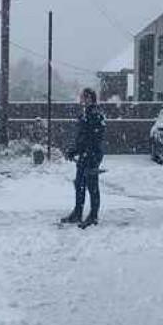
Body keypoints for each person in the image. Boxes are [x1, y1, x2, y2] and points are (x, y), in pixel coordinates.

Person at [62, 87, 106, 228]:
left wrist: (88, 153)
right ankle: (77, 213)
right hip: (84, 155)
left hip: (92, 155)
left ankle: (93, 216)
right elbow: (82, 138)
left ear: (91, 98)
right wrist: (74, 151)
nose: (82, 99)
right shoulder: (85, 114)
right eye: (82, 97)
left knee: (92, 186)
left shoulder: (96, 114)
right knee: (79, 185)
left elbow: (94, 138)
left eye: (85, 97)